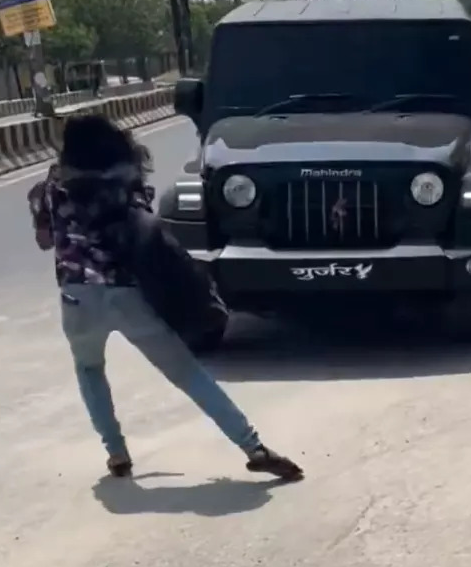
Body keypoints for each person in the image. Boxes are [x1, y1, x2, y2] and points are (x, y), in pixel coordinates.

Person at [28, 115, 303, 480]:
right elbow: (145, 230)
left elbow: (44, 240)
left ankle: (117, 454)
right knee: (187, 374)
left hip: (77, 299)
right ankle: (253, 446)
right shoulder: (128, 184)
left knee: (90, 369)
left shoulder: (51, 186)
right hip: (128, 295)